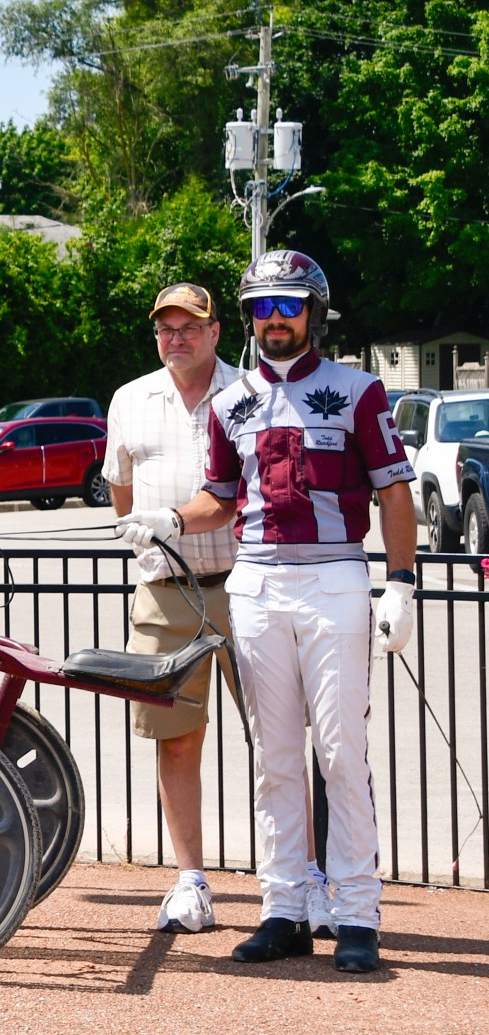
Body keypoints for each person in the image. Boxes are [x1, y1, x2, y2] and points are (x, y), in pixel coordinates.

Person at [116, 250, 415, 975]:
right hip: (257, 585)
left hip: (334, 579)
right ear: (248, 317)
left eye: (287, 305)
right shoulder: (231, 402)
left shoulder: (360, 390)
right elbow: (220, 495)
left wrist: (401, 584)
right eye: (261, 307)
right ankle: (282, 909)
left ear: (313, 312)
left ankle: (356, 914)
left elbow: (395, 493)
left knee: (341, 754)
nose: (274, 319)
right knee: (274, 757)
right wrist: (167, 520)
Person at [104, 283, 244, 934]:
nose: (177, 337)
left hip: (252, 588)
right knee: (176, 741)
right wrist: (146, 536)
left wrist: (168, 521)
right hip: (166, 594)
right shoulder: (131, 399)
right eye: (166, 328)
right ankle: (191, 882)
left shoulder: (252, 394)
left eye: (190, 326)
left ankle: (297, 882)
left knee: (276, 740)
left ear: (217, 332)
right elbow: (121, 492)